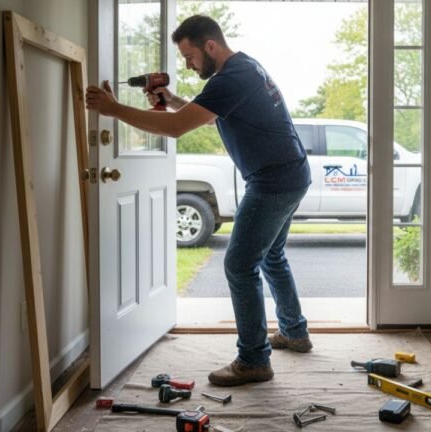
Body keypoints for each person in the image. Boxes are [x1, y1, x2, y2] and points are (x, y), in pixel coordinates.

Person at [85, 15, 313, 387]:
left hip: (273, 180)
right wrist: (173, 101)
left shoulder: (231, 78)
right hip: (290, 174)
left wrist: (113, 109)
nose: (188, 66)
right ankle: (294, 332)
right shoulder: (244, 67)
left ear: (210, 46)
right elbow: (210, 117)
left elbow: (176, 128)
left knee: (240, 265)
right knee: (271, 255)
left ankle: (254, 359)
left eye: (190, 57)